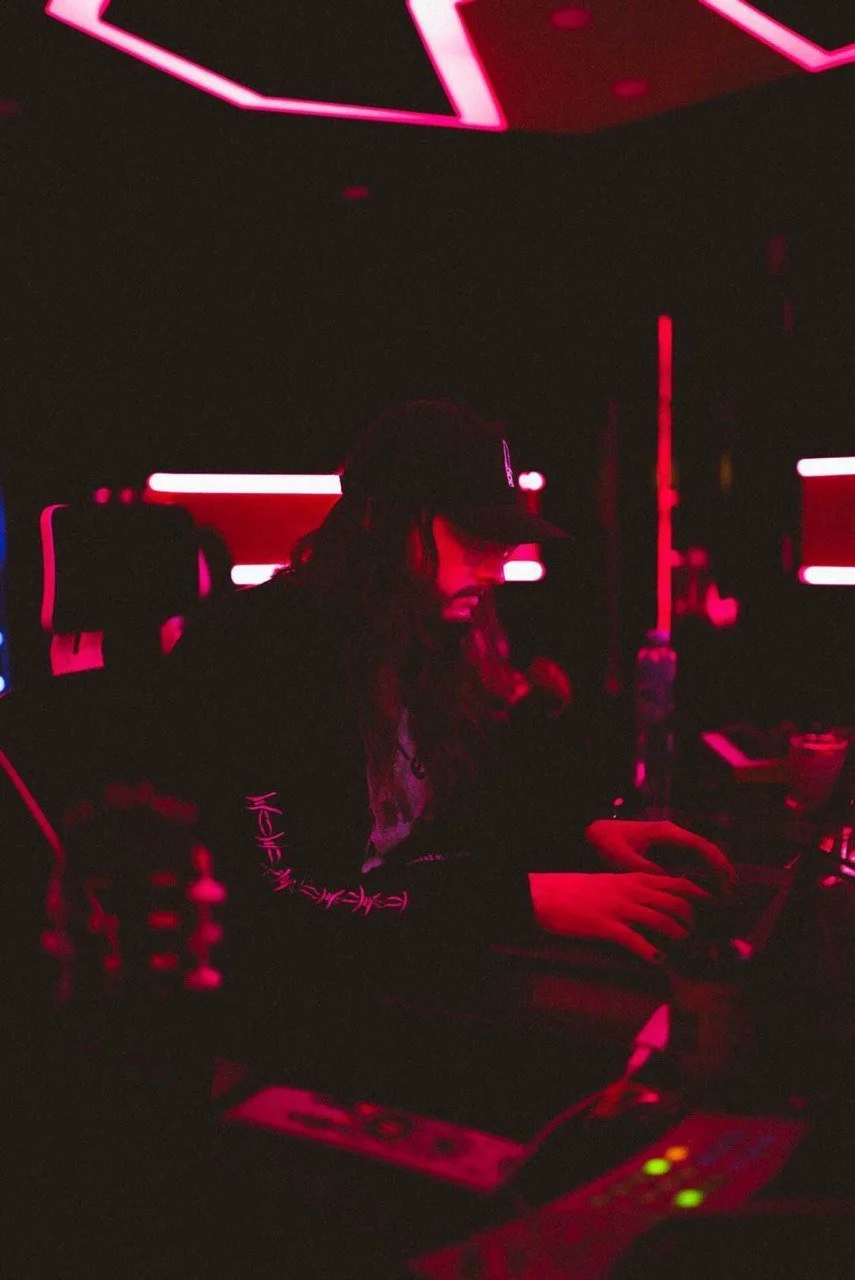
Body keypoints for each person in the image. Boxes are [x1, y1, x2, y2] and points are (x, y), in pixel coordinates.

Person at [154, 399, 733, 1053]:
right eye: (474, 539)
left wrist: (583, 836)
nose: (495, 568)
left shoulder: (420, 636)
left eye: (502, 545)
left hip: (395, 981)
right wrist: (525, 901)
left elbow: (467, 815)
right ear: (378, 520)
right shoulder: (256, 649)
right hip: (287, 1022)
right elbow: (284, 903)